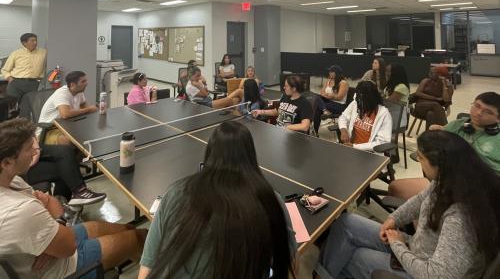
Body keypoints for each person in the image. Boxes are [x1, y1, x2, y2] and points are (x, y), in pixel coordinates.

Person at [315, 130, 500, 279]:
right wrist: (393, 219)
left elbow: (437, 274)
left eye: (420, 157)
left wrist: (398, 244)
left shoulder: (460, 218)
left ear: (439, 164)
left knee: (353, 256)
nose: (417, 160)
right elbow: (420, 200)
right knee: (346, 222)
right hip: (417, 248)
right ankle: (322, 274)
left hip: (423, 268)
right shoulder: (447, 179)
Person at [138, 120, 296, 279]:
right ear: (251, 156)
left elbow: (146, 269)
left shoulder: (175, 193)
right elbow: (290, 264)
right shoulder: (272, 200)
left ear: (209, 154)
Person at [0, 118, 147, 279]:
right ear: (7, 162)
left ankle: (136, 258)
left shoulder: (12, 180)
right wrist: (54, 222)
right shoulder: (19, 210)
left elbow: (47, 207)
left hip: (55, 241)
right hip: (64, 267)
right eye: (29, 149)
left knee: (128, 229)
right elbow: (68, 246)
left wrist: (50, 238)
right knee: (140, 237)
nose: (36, 152)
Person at [389, 91, 500, 200]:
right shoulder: (457, 125)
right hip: (447, 183)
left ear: (498, 119)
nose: (479, 113)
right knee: (395, 187)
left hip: (480, 193)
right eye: (477, 106)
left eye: (488, 112)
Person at [27, 134, 106, 205]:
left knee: (66, 151)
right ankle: (77, 194)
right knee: (65, 167)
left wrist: (35, 145)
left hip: (26, 145)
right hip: (19, 163)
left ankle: (75, 195)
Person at [38, 71, 98, 145]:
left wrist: (93, 110)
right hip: (48, 130)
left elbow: (84, 108)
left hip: (65, 127)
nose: (87, 83)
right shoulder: (61, 94)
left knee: (89, 133)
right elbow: (65, 114)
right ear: (73, 84)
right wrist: (89, 109)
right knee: (68, 140)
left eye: (86, 80)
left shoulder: (79, 92)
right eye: (83, 81)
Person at [338, 80, 392, 151]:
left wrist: (355, 147)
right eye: (358, 98)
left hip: (369, 152)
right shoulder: (356, 103)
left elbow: (382, 142)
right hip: (350, 147)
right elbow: (343, 117)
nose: (360, 103)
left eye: (363, 100)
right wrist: (343, 130)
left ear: (372, 99)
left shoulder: (384, 114)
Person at [1, 32, 47, 101]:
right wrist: (10, 79)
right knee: (11, 105)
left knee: (30, 106)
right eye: (32, 40)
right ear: (24, 43)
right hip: (16, 83)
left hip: (34, 83)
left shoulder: (44, 52)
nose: (35, 42)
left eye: (36, 40)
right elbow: (5, 70)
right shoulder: (16, 53)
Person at [411, 65, 453, 130]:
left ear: (440, 75)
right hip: (420, 107)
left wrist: (444, 84)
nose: (429, 74)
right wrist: (435, 98)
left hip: (434, 110)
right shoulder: (425, 81)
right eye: (429, 72)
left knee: (431, 114)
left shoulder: (448, 86)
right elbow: (418, 93)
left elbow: (446, 99)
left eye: (432, 73)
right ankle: (447, 129)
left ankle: (429, 136)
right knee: (435, 104)